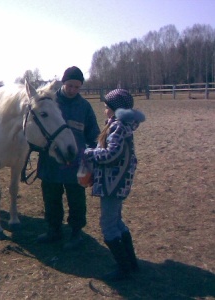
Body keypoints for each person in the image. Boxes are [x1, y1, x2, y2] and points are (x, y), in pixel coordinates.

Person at [83, 89, 145, 281]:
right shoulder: (122, 124)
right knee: (117, 221)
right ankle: (131, 263)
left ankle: (123, 268)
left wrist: (87, 154)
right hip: (119, 181)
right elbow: (110, 149)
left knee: (108, 224)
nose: (104, 110)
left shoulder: (117, 126)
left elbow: (110, 154)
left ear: (114, 109)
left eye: (106, 107)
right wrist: (93, 149)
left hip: (113, 182)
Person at [36, 66, 100, 250]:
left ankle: (76, 232)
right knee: (51, 197)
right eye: (70, 85)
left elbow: (93, 133)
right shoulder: (50, 101)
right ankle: (53, 230)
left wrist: (92, 155)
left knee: (76, 200)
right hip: (51, 163)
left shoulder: (84, 107)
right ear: (63, 83)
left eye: (77, 87)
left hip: (75, 164)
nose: (72, 90)